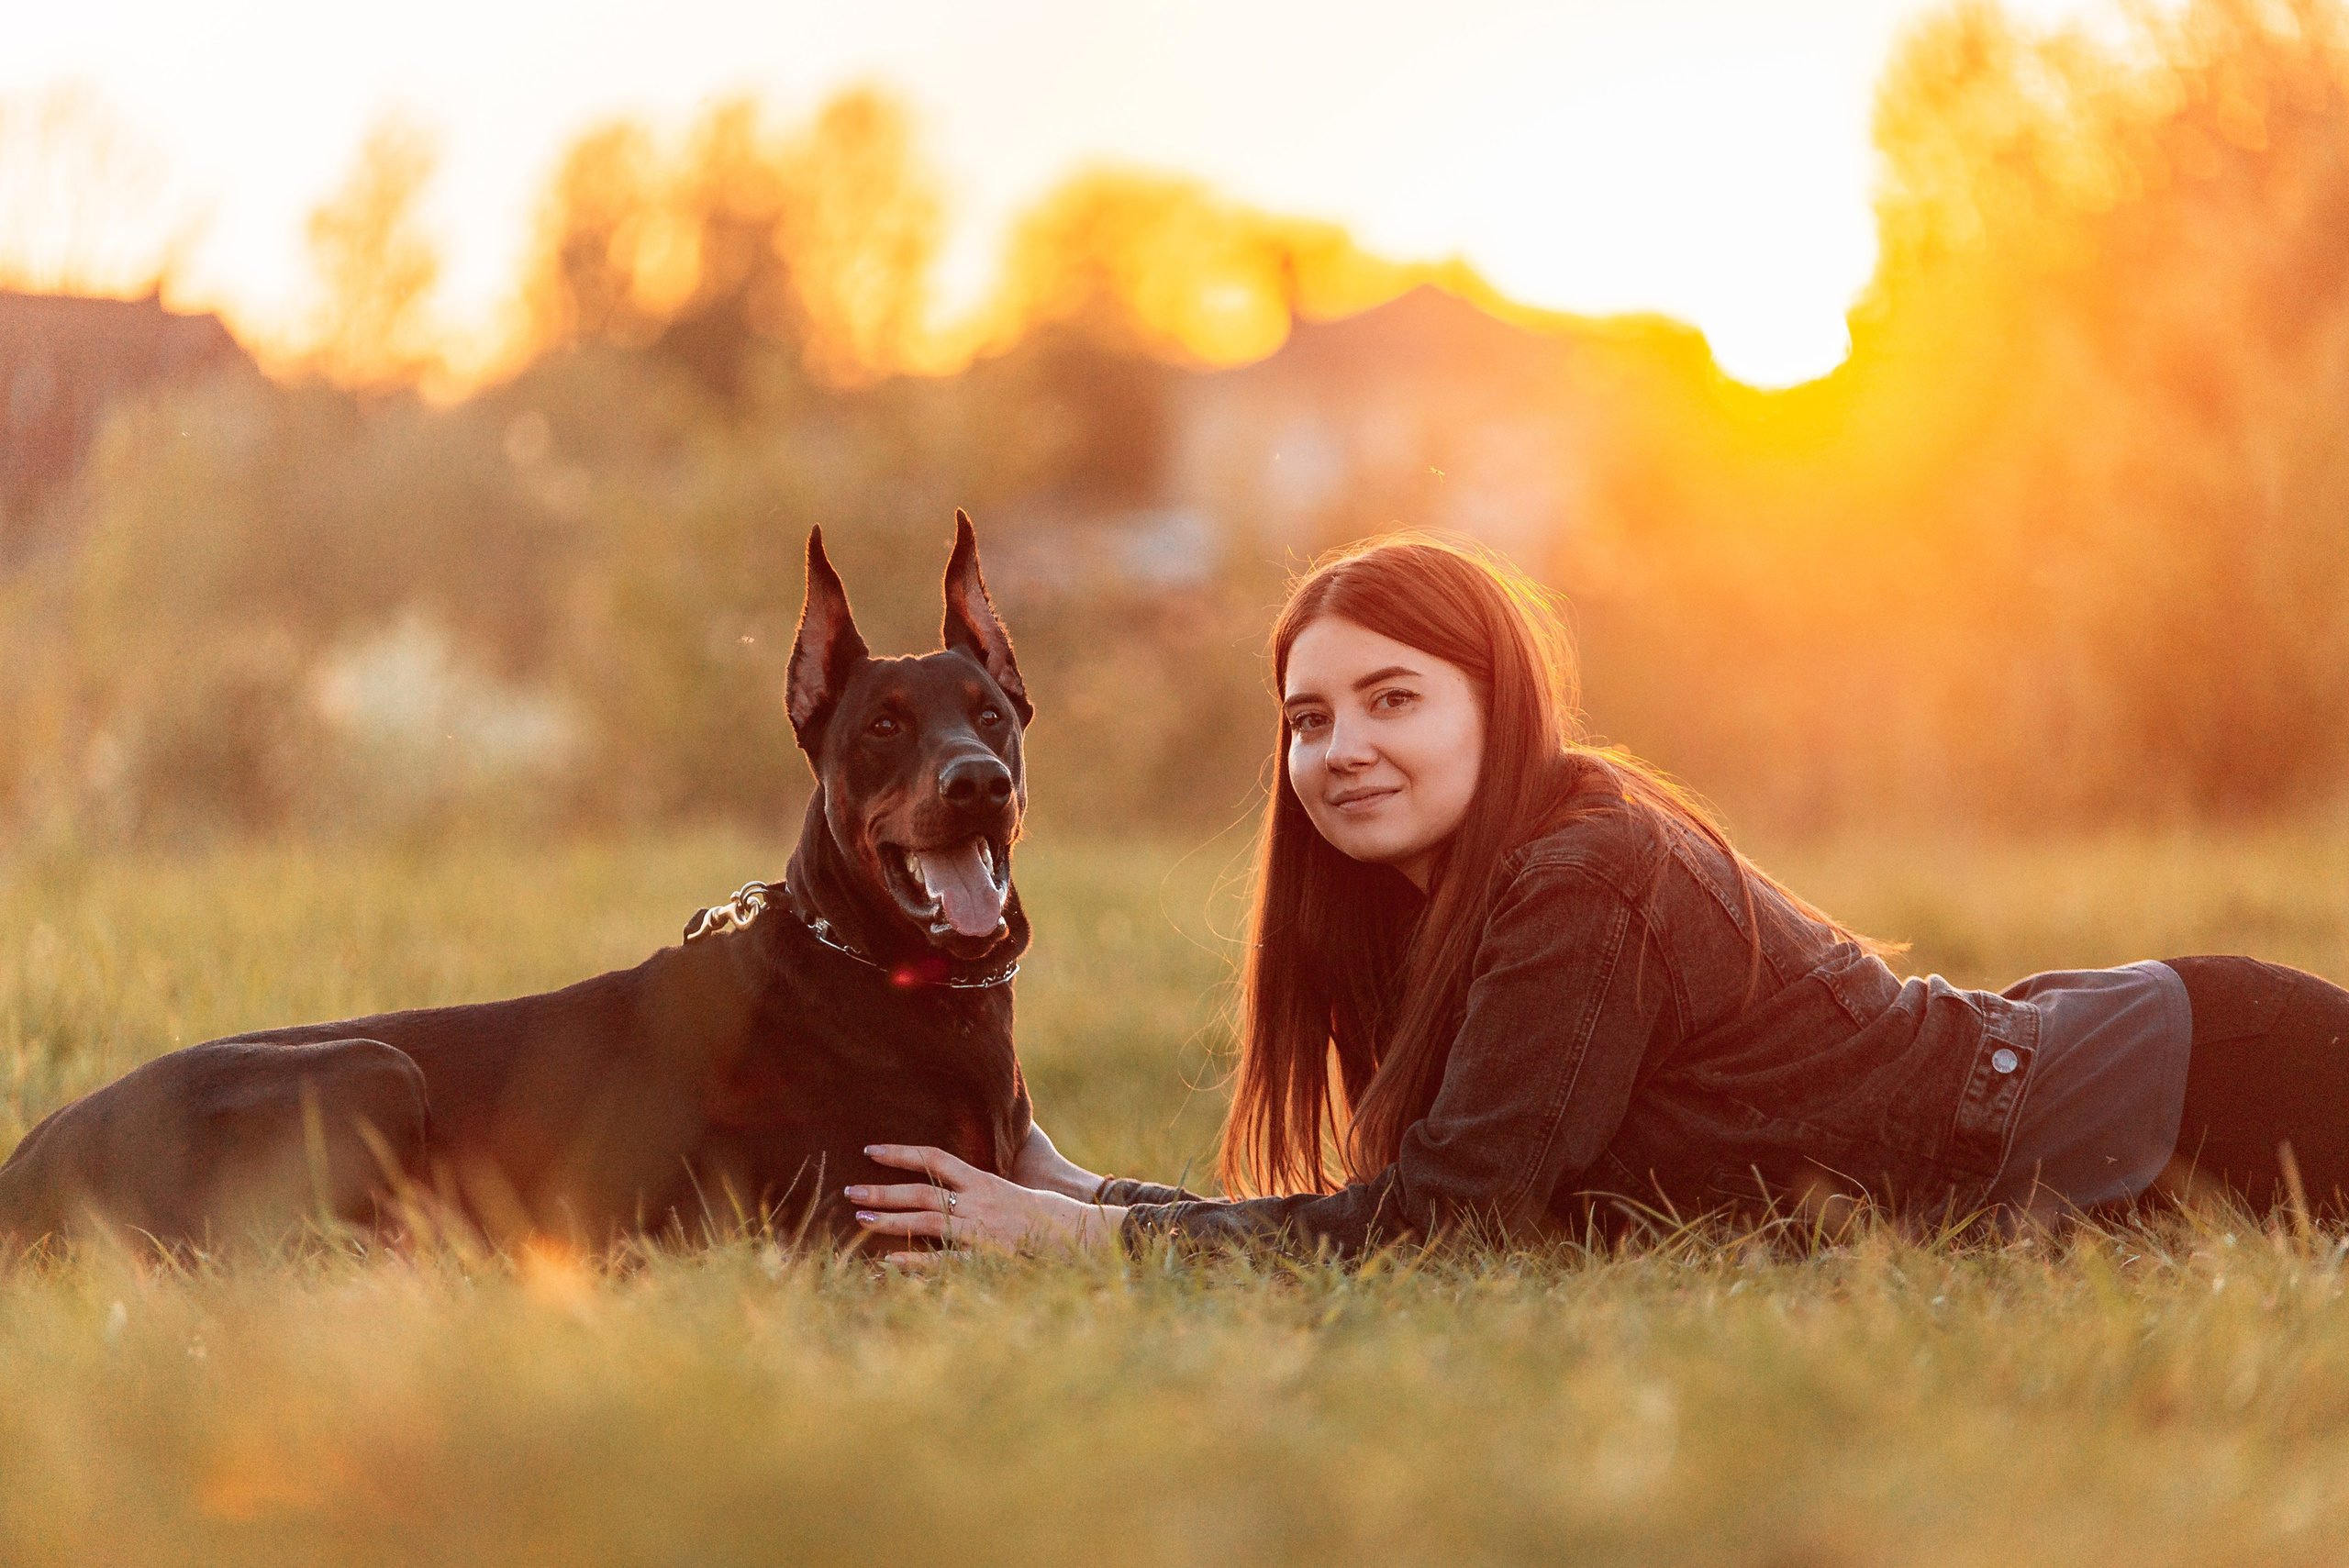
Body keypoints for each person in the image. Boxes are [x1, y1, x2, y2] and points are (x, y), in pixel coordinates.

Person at [849, 535, 2349, 1260]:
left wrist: (1085, 1244)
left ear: (1498, 702)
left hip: (2206, 1086)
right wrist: (1074, 1183)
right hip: (2123, 1077)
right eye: (1309, 719)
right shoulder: (1433, 914)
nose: (1342, 747)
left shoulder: (1585, 872)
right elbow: (1410, 1220)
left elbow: (1447, 1242)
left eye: (1392, 698)